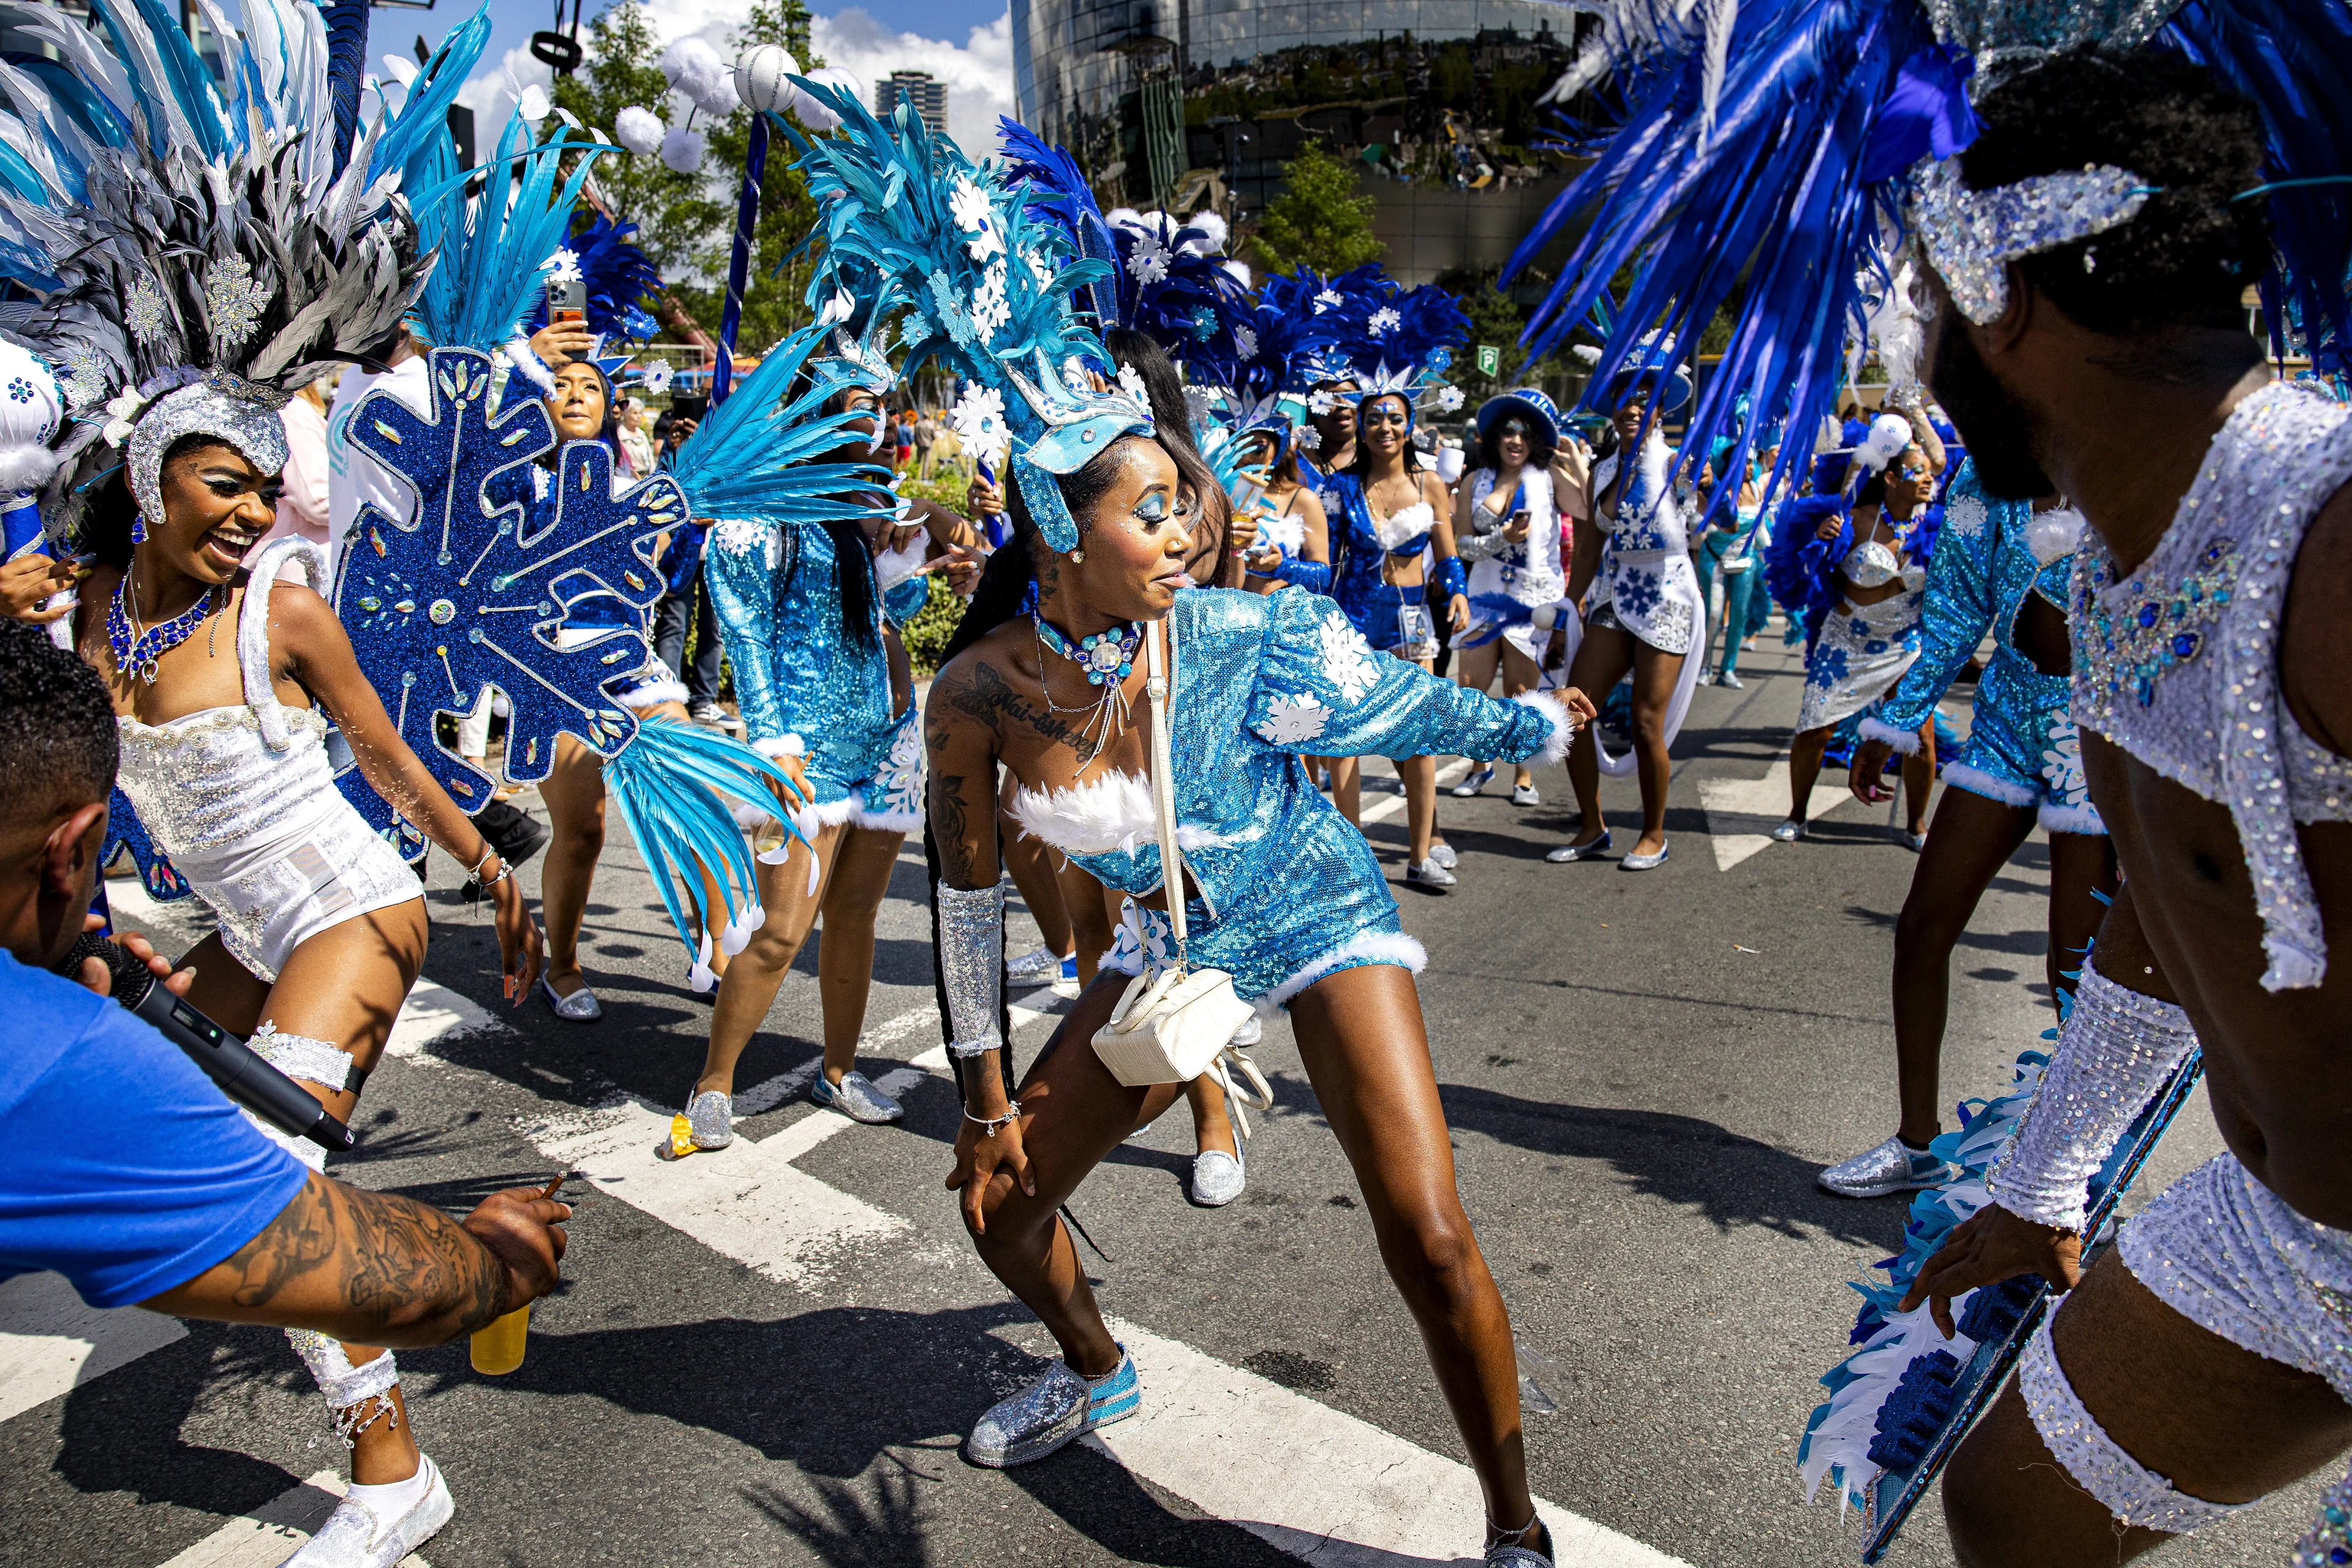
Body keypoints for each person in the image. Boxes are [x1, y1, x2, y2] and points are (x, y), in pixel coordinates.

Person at [1872, 50, 2352, 1564]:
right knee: (2010, 1513)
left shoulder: (2330, 533)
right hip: (2293, 1236)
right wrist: (2040, 1179)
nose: (1917, 344)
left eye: (1920, 299)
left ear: (1996, 300)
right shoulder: (2112, 560)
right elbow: (2169, 905)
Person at [0, 617, 571, 1565]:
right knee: (275, 1204)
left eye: (265, 485)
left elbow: (384, 753)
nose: (253, 507)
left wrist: (489, 867)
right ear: (75, 851)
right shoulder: (100, 621)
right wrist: (495, 1267)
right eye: (224, 480)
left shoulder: (277, 605)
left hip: (345, 907)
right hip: (241, 929)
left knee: (281, 1164)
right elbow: (352, 1264)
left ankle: (391, 1479)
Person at [680, 349, 982, 1150]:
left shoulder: (851, 503)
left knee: (855, 918)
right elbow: (745, 634)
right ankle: (713, 1083)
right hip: (805, 753)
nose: (871, 418)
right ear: (811, 413)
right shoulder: (768, 509)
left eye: (877, 405)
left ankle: (839, 1071)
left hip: (884, 743)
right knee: (780, 932)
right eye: (853, 403)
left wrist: (931, 574)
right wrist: (773, 740)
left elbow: (861, 617)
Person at [1819, 458, 2117, 1199]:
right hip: (2008, 716)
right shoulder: (1984, 482)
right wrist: (1897, 718)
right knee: (1922, 927)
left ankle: (2084, 1178)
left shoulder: (2122, 460)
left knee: (2075, 968)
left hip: (2099, 727)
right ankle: (1917, 1143)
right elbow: (1955, 612)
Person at [508, 326, 702, 1020]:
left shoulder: (637, 488)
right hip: (554, 668)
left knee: (690, 797)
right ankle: (562, 965)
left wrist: (677, 532)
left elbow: (672, 578)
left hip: (634, 662)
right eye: (562, 385)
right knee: (583, 829)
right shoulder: (516, 481)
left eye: (592, 386)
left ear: (613, 405)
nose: (577, 394)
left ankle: (709, 940)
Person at [1549, 357, 1704, 871]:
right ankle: (1592, 826)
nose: (1633, 407)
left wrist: (1701, 487)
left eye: (1645, 398)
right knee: (1570, 711)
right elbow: (1591, 547)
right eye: (1625, 398)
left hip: (1669, 594)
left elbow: (1703, 529)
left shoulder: (1681, 461)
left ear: (1661, 408)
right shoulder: (1605, 470)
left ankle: (1654, 833)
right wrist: (1567, 609)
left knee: (1644, 720)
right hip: (1616, 595)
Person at [1762, 421, 1943, 849]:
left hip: (1905, 645)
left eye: (1929, 474)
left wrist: (1913, 410)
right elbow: (1805, 579)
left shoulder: (1933, 527)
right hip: (1847, 641)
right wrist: (1820, 544)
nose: (1929, 479)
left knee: (1920, 736)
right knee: (1815, 731)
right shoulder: (1852, 518)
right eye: (1917, 473)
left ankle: (1917, 824)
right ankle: (1797, 813)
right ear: (1892, 478)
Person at [1450, 389, 1568, 807]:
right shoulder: (1473, 481)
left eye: (1525, 433)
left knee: (1522, 690)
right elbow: (1463, 546)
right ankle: (1479, 766)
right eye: (1509, 432)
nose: (1516, 440)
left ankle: (1523, 776)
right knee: (1472, 688)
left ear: (1536, 442)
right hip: (1483, 591)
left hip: (1529, 598)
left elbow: (1590, 513)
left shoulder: (1549, 481)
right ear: (1496, 437)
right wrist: (1503, 537)